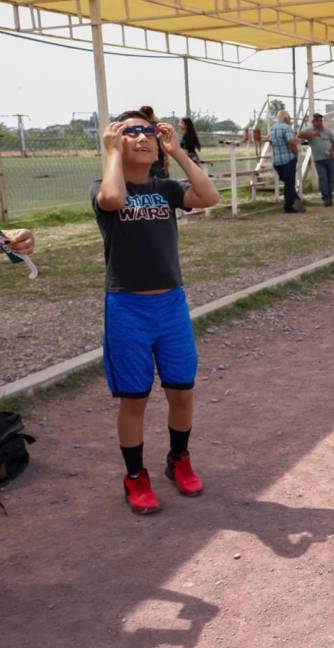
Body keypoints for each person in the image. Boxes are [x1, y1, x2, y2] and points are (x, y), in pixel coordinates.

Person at [92, 109, 220, 514]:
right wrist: (112, 153)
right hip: (127, 306)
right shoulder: (105, 187)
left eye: (149, 132)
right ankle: (135, 476)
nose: (144, 138)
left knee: (182, 390)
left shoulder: (165, 189)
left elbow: (208, 196)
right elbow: (113, 199)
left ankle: (178, 459)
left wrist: (179, 153)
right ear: (116, 140)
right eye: (131, 132)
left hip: (170, 306)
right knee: (135, 400)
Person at [298, 113, 334, 207]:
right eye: (317, 121)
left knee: (331, 179)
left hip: (330, 158)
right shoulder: (309, 130)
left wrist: (331, 151)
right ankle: (326, 199)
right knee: (323, 178)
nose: (319, 123)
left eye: (321, 120)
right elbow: (300, 135)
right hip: (319, 160)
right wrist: (313, 134)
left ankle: (330, 196)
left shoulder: (327, 131)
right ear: (313, 122)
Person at [269, 110, 304, 213]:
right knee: (289, 184)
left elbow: (272, 142)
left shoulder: (272, 128)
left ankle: (295, 199)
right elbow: (290, 142)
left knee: (288, 182)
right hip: (288, 159)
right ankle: (288, 206)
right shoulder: (286, 128)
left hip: (276, 161)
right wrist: (296, 154)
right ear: (285, 118)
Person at [138, 106, 169, 179]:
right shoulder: (155, 126)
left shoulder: (138, 127)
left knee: (146, 182)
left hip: (144, 157)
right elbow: (161, 143)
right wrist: (166, 158)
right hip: (158, 157)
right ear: (152, 114)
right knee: (163, 181)